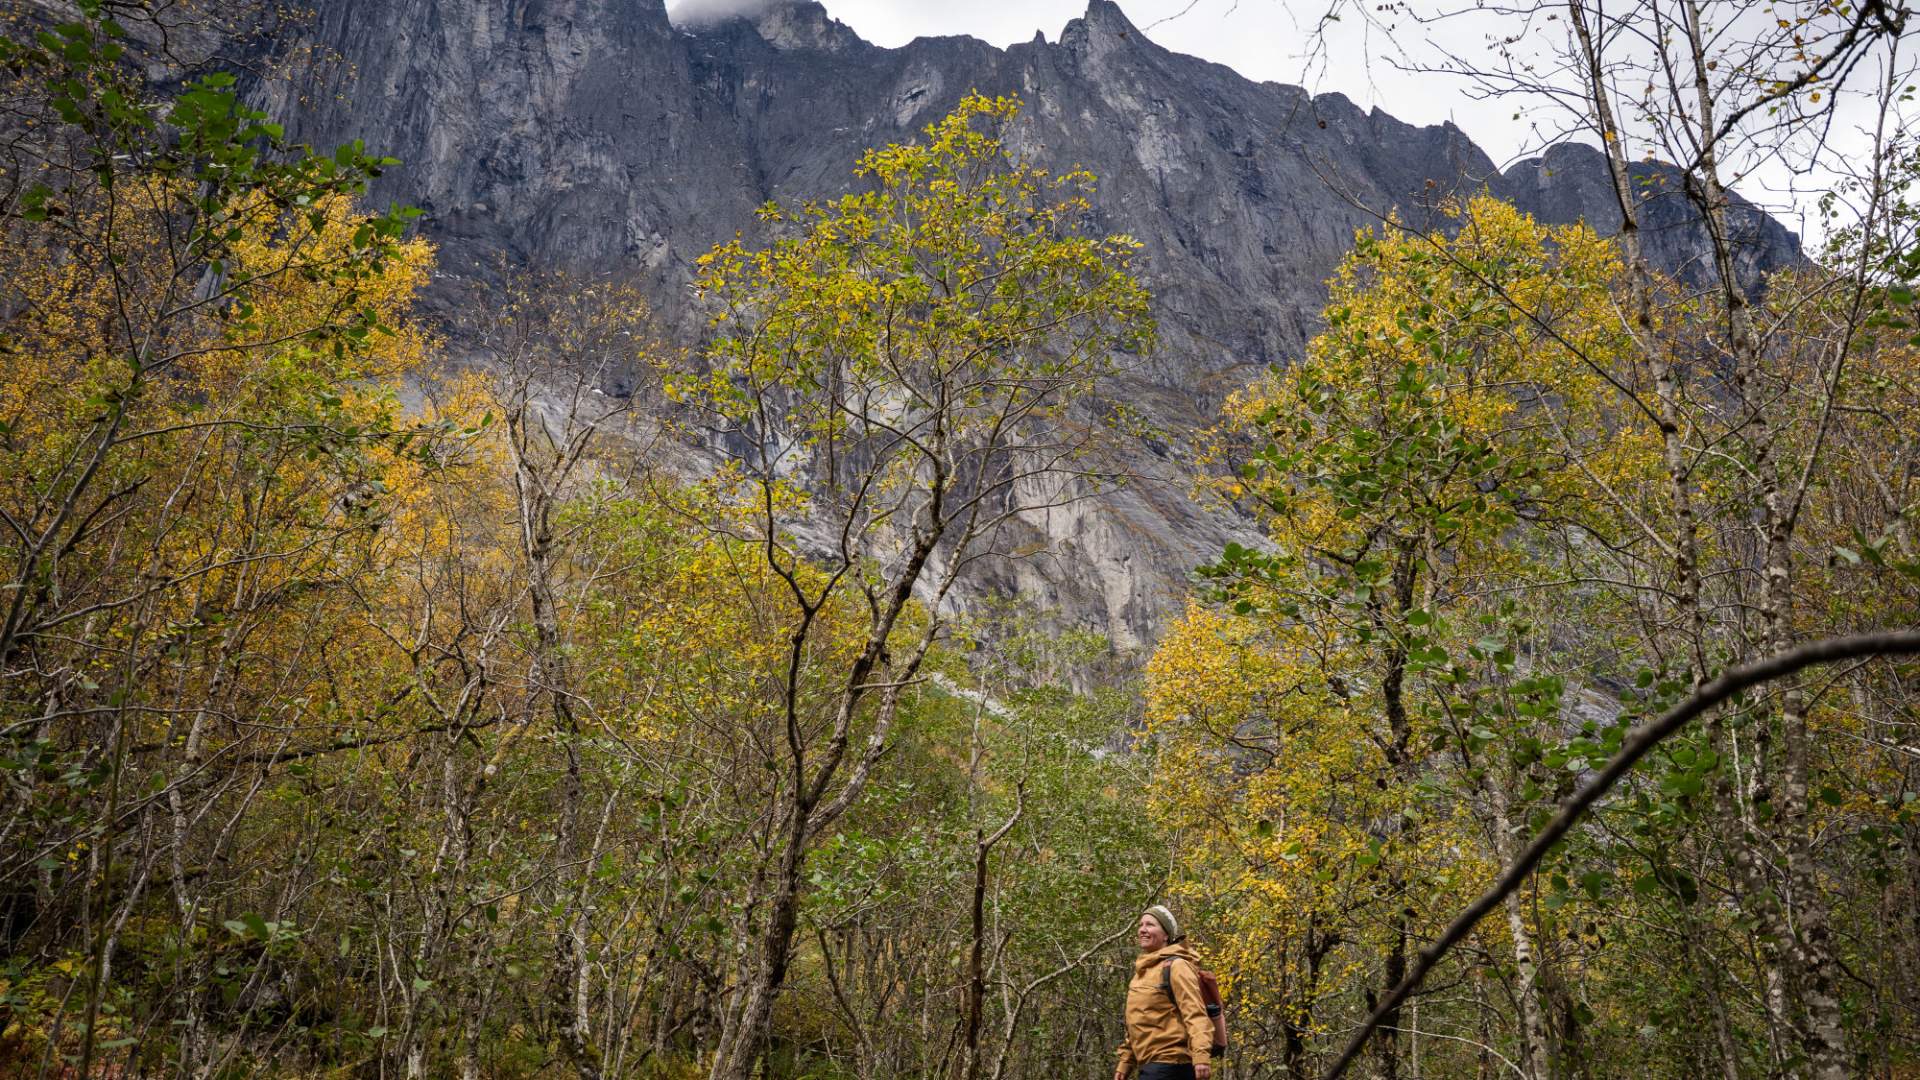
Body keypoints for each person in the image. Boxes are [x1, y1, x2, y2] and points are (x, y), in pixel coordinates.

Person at [1115, 905, 1213, 1080]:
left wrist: (1201, 1056)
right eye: (1141, 925)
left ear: (1166, 935)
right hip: (1150, 1066)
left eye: (1150, 925)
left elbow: (1195, 1013)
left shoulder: (1177, 966)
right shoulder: (1143, 971)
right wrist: (1125, 1062)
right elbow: (1139, 1022)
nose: (1143, 930)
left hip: (1172, 1065)